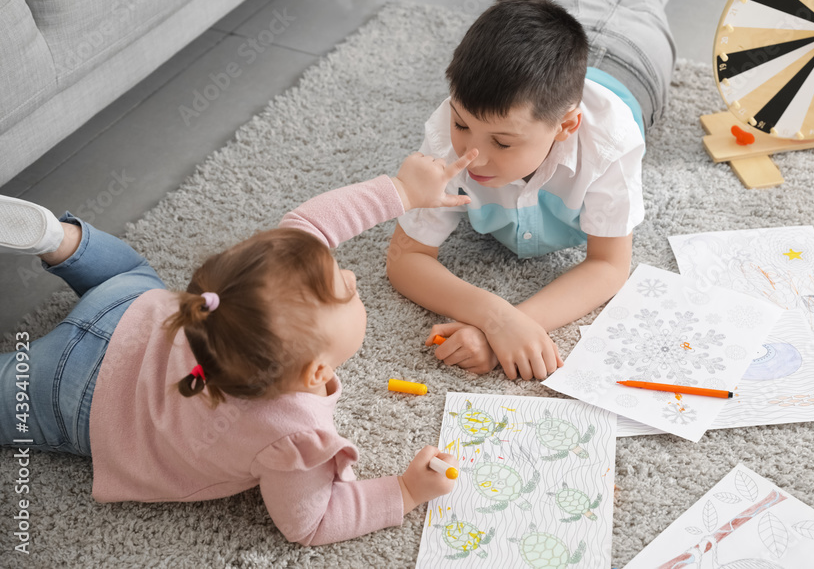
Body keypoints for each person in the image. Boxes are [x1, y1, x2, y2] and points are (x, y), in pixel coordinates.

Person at [0, 148, 476, 546]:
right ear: (314, 373)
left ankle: (64, 241)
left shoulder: (250, 292)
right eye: (347, 289)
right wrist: (406, 491)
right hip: (74, 394)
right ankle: (62, 248)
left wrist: (400, 190)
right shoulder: (294, 437)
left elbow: (312, 223)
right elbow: (309, 522)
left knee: (130, 271)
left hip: (132, 307)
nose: (353, 276)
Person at [386, 0, 690, 381]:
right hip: (563, 27)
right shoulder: (448, 126)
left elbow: (610, 266)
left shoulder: (608, 142)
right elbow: (405, 260)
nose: (473, 154)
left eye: (504, 143)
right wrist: (496, 317)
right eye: (462, 124)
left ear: (566, 127)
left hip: (634, 57)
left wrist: (515, 324)